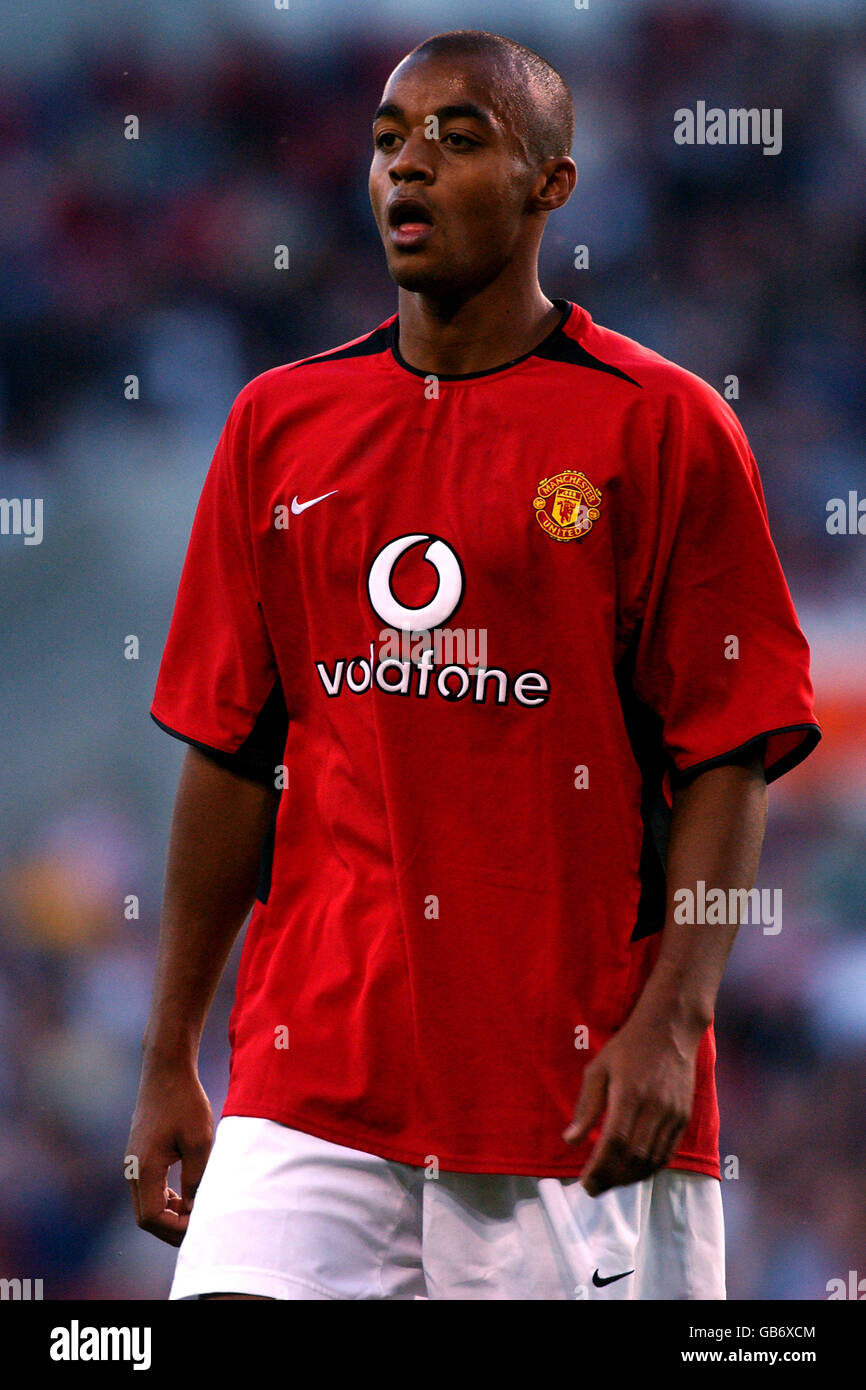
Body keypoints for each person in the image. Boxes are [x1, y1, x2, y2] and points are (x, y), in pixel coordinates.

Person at [125, 29, 820, 1300]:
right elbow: (230, 752)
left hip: (564, 1087)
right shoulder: (278, 425)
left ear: (550, 184)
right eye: (390, 139)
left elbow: (730, 753)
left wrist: (671, 1023)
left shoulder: (659, 427)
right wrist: (170, 1045)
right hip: (311, 1074)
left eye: (458, 139)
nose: (409, 168)